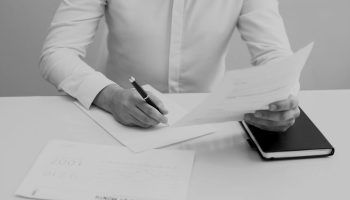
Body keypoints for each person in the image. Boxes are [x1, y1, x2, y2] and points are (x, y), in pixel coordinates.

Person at [40, 0, 300, 131]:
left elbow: (275, 54)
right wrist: (110, 97)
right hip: (114, 120)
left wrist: (282, 99)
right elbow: (57, 52)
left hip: (207, 126)